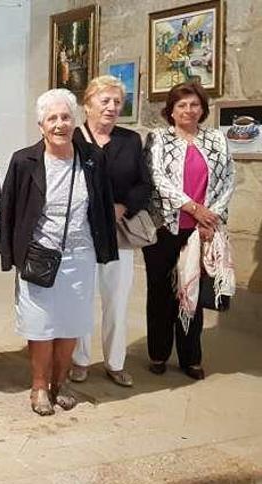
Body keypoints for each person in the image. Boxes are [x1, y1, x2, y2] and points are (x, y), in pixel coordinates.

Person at [0, 88, 117, 416]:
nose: (60, 124)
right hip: (38, 253)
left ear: (75, 121)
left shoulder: (92, 158)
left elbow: (103, 205)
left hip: (79, 254)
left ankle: (60, 382)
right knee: (40, 325)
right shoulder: (25, 160)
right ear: (41, 125)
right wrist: (9, 255)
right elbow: (9, 209)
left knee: (71, 323)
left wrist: (106, 249)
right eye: (53, 118)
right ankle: (39, 386)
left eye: (66, 117)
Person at [143, 81, 235, 380]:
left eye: (194, 104)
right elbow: (157, 178)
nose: (188, 110)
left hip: (200, 230)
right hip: (164, 229)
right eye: (181, 105)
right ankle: (158, 353)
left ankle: (190, 357)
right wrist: (193, 208)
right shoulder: (158, 139)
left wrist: (211, 219)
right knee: (161, 294)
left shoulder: (216, 140)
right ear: (170, 110)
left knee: (192, 290)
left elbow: (228, 180)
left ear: (203, 109)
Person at [69, 76, 152, 387]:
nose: (112, 107)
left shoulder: (130, 140)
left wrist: (123, 207)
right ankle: (78, 360)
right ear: (88, 104)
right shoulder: (73, 137)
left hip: (118, 231)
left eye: (117, 102)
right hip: (81, 231)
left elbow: (144, 184)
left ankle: (115, 362)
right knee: (81, 297)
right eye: (105, 101)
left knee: (116, 298)